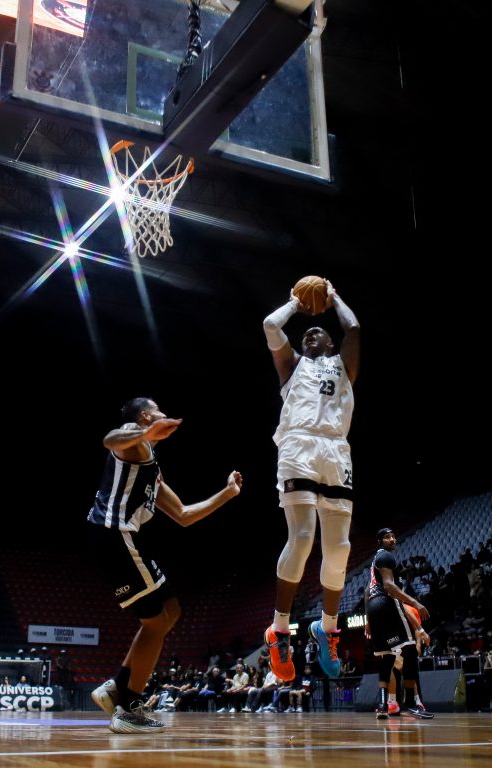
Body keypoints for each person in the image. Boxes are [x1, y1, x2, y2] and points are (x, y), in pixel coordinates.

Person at [87, 397, 243, 733]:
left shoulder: (150, 465)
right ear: (146, 416)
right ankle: (128, 708)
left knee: (170, 609)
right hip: (114, 536)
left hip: (124, 539)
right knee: (156, 622)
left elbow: (184, 515)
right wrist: (146, 432)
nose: (164, 413)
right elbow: (110, 439)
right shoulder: (132, 439)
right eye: (158, 410)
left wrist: (227, 493)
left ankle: (116, 687)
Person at [262, 279, 360, 682]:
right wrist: (294, 304)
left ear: (331, 344)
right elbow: (271, 326)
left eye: (317, 332)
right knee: (302, 538)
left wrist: (333, 298)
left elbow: (354, 328)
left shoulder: (344, 366)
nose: (309, 335)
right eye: (306, 334)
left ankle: (328, 628)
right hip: (298, 445)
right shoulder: (292, 365)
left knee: (339, 548)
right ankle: (279, 630)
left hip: (336, 450)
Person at [364, 528, 434, 719]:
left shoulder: (374, 562)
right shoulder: (386, 556)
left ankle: (383, 704)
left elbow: (367, 592)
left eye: (394, 536)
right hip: (386, 603)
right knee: (410, 650)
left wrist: (368, 620)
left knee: (387, 657)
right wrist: (416, 602)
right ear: (380, 542)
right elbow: (389, 586)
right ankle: (411, 703)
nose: (392, 539)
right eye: (387, 537)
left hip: (373, 607)